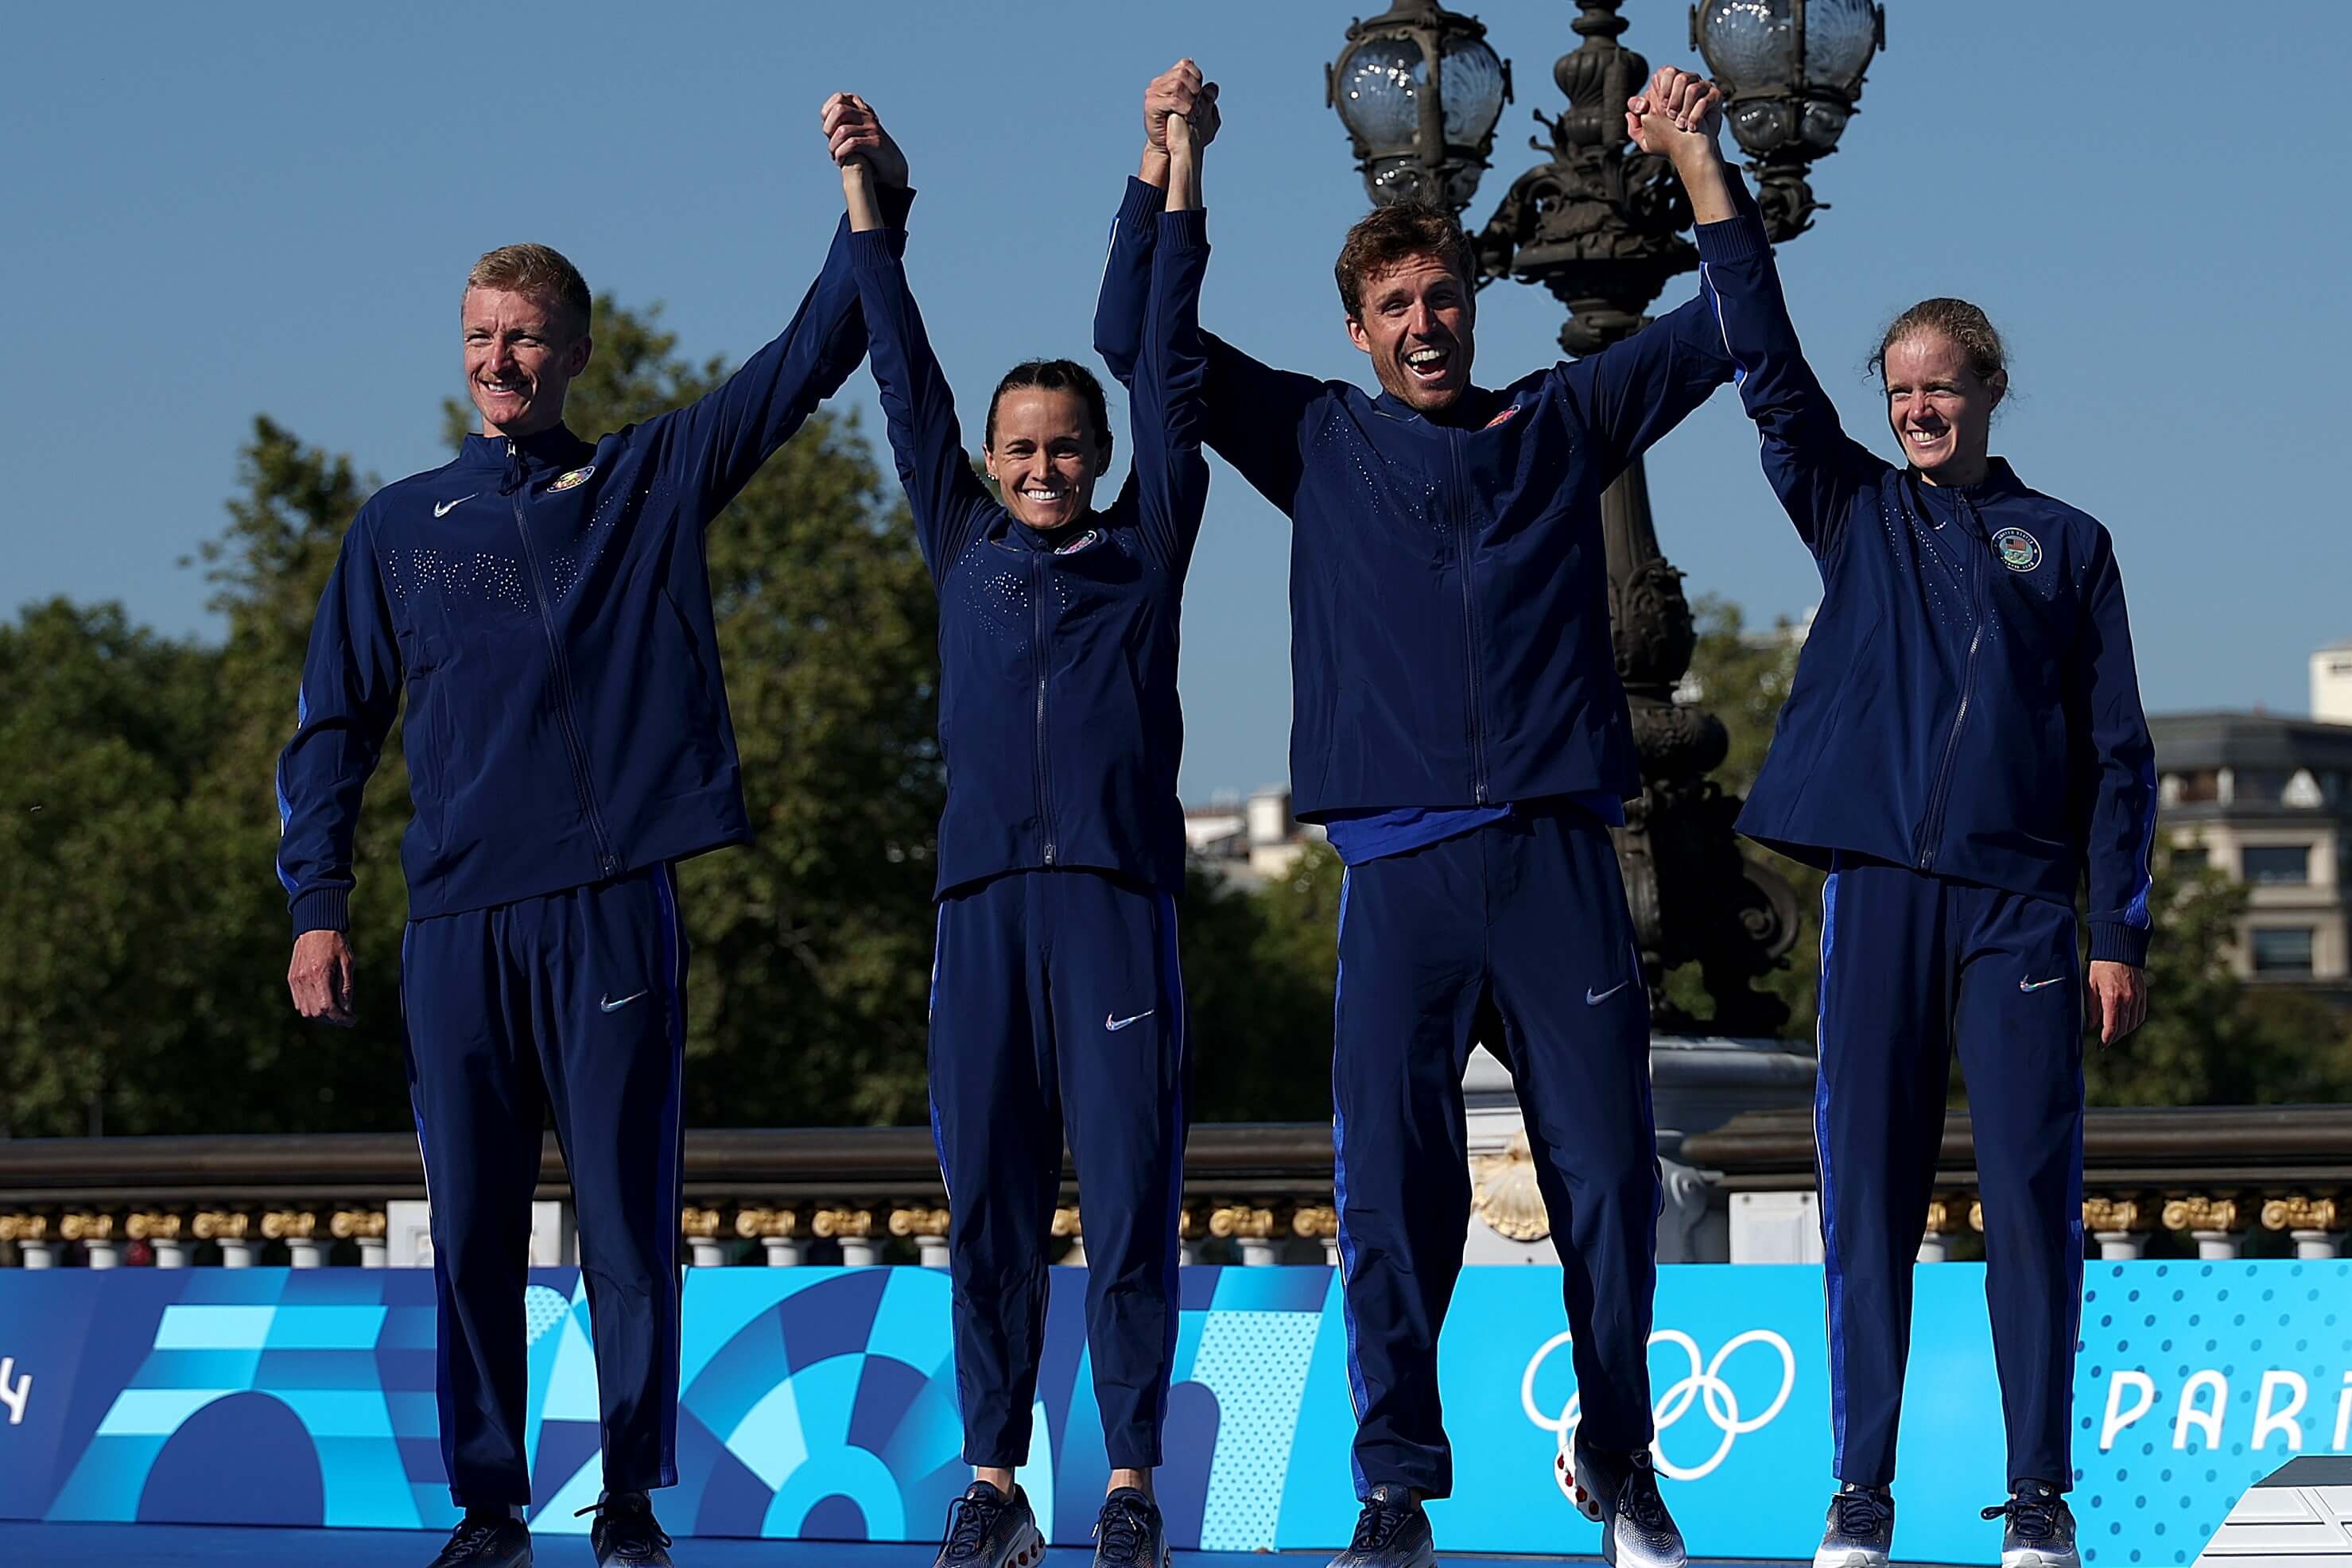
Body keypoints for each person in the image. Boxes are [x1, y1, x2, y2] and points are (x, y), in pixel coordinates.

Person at [1100, 60, 1785, 1568]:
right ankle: (1395, 1486)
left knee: (1607, 1182)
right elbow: (1131, 343)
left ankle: (1617, 1461)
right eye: (1395, 306)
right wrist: (1174, 163)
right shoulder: (1318, 439)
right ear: (1357, 329)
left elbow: (1742, 326)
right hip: (1399, 869)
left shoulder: (1560, 419)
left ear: (1474, 305)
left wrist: (1696, 161)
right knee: (1395, 1204)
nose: (1424, 324)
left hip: (1555, 858)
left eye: (1443, 298)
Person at [274, 98, 916, 1568]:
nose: (502, 360)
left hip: (612, 904)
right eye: (480, 335)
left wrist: (866, 199)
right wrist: (319, 903)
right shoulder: (398, 526)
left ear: (574, 351)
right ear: (463, 352)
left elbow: (807, 359)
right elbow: (331, 732)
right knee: (474, 1235)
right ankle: (489, 1508)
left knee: (628, 1223)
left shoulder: (641, 480)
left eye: (528, 336)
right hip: (454, 927)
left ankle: (628, 1498)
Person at [1668, 60, 2155, 1568]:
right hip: (1874, 892)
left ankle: (2035, 1504)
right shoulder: (1851, 508)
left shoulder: (2064, 546)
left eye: (1939, 384)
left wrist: (2111, 925)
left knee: (2027, 1203)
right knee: (1861, 1201)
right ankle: (1858, 1498)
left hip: (2019, 912)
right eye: (1899, 390)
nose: (1916, 406)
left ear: (1989, 391)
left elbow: (2116, 750)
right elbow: (1761, 357)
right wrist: (1700, 165)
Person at [832, 76, 1212, 1568]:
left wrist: (1173, 170)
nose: (1043, 467)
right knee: (988, 1208)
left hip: (1115, 907)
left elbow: (1170, 362)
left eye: (1066, 447)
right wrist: (869, 197)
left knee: (1126, 1205)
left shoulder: (1146, 548)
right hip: (982, 906)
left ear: (1098, 461)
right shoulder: (962, 545)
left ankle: (1126, 1480)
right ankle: (991, 1478)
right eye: (1020, 449)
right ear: (987, 466)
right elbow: (898, 369)